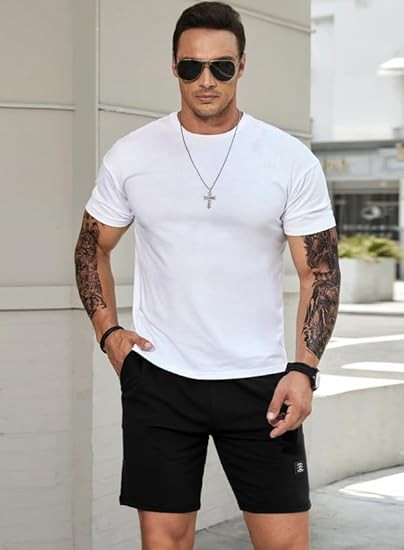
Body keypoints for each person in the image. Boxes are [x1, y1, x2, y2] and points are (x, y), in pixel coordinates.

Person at [74, 2, 340, 549]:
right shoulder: (132, 155)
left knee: (285, 544)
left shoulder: (288, 159)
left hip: (261, 381)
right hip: (161, 379)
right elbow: (90, 248)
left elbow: (320, 271)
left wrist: (304, 370)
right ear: (174, 67)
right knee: (165, 542)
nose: (206, 80)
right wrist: (108, 333)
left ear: (241, 66)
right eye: (192, 66)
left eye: (221, 66)